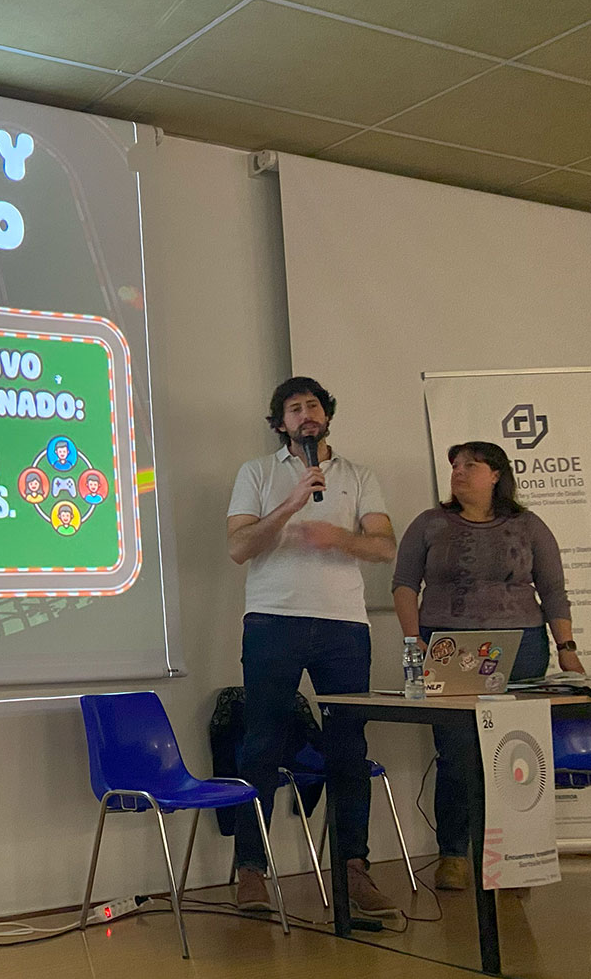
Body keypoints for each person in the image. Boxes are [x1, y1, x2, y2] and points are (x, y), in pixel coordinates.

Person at [226, 377, 401, 917]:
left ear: (326, 415)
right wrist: (291, 504)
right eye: (294, 408)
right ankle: (251, 870)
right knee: (262, 744)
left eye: (314, 406)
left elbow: (385, 546)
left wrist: (339, 537)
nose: (306, 414)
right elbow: (238, 547)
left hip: (343, 628)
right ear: (280, 423)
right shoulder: (257, 473)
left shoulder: (358, 476)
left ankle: (353, 869)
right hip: (272, 621)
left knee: (348, 748)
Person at [391, 440, 584, 890]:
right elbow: (403, 583)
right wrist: (412, 639)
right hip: (450, 647)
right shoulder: (430, 523)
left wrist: (567, 647)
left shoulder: (528, 525)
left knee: (518, 752)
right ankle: (454, 854)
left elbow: (553, 590)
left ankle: (517, 855)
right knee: (457, 753)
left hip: (522, 648)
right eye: (455, 465)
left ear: (496, 475)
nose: (458, 472)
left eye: (470, 465)